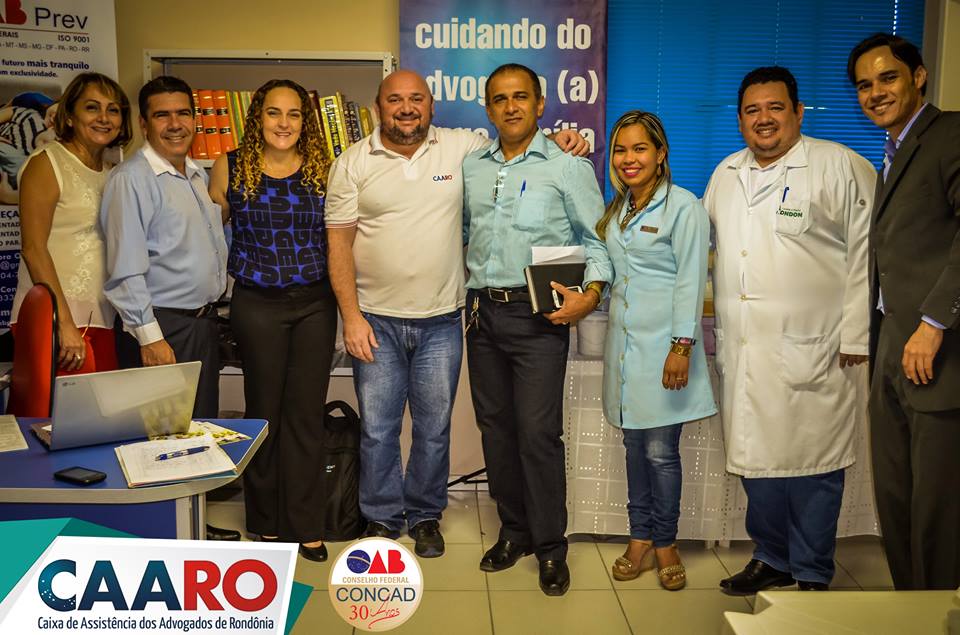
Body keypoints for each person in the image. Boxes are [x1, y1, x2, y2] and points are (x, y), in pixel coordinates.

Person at [325, 69, 586, 558]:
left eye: (416, 99)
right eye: (395, 100)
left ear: (432, 106)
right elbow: (338, 244)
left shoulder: (462, 148)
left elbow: (518, 144)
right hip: (375, 320)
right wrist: (351, 317)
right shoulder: (351, 162)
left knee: (433, 428)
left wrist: (559, 140)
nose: (406, 108)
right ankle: (382, 517)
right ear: (379, 107)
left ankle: (425, 515)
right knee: (378, 430)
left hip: (444, 319)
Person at [703, 66, 875, 594]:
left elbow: (868, 256)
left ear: (798, 112)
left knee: (813, 467)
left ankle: (812, 571)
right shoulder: (725, 174)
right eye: (752, 110)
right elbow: (709, 251)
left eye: (775, 107)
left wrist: (857, 335)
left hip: (817, 348)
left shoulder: (840, 166)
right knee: (757, 465)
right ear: (739, 120)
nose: (764, 119)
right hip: (746, 351)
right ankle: (772, 557)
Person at [461, 63, 611, 596]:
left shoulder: (568, 166)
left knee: (538, 434)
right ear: (488, 108)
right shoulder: (472, 166)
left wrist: (590, 296)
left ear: (540, 104)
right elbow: (466, 232)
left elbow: (597, 241)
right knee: (497, 432)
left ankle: (550, 547)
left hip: (539, 317)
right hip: (481, 315)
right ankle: (514, 532)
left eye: (520, 97)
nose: (511, 107)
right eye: (499, 99)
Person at [847, 34, 960, 591]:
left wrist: (935, 323)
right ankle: (907, 606)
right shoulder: (893, 154)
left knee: (935, 506)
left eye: (887, 78)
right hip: (892, 341)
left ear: (919, 76)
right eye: (864, 85)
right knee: (896, 493)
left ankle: (934, 613)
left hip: (937, 348)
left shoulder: (951, 135)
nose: (876, 93)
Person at [208, 79, 337, 562]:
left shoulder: (325, 168)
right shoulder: (229, 165)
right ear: (257, 116)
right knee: (263, 410)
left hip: (314, 304)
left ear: (306, 121)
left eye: (294, 114)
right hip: (256, 304)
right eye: (274, 113)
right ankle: (264, 520)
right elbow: (207, 233)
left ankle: (305, 524)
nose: (284, 123)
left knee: (305, 414)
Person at [598, 111, 716, 590]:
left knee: (661, 452)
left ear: (661, 153)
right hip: (626, 352)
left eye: (640, 148)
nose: (629, 158)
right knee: (633, 448)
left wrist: (681, 347)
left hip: (667, 349)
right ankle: (640, 537)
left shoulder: (683, 207)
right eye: (621, 150)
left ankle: (666, 542)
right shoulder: (618, 209)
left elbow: (691, 280)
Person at [11, 73, 132, 374]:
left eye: (113, 110)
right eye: (92, 107)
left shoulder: (113, 172)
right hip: (58, 321)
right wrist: (62, 323)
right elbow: (33, 249)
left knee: (102, 405)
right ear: (68, 116)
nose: (104, 118)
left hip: (102, 318)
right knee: (63, 407)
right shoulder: (47, 162)